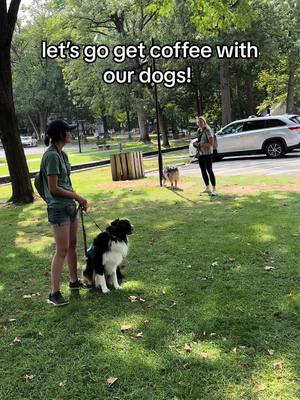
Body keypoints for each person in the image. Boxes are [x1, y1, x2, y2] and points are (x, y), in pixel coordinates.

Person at [40, 120, 88, 306]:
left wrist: (77, 199)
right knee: (61, 250)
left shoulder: (63, 155)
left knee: (72, 244)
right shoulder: (51, 156)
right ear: (61, 134)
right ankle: (54, 293)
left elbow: (66, 183)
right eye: (69, 131)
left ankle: (74, 281)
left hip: (69, 206)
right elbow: (53, 188)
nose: (71, 133)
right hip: (58, 209)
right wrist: (77, 196)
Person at [194, 116, 217, 196]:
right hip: (201, 154)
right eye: (198, 122)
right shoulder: (199, 130)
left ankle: (214, 189)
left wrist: (201, 145)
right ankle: (207, 188)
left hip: (207, 153)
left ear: (204, 122)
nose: (199, 124)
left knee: (209, 170)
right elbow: (198, 141)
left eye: (201, 122)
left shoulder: (208, 130)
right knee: (203, 170)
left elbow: (211, 143)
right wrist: (196, 144)